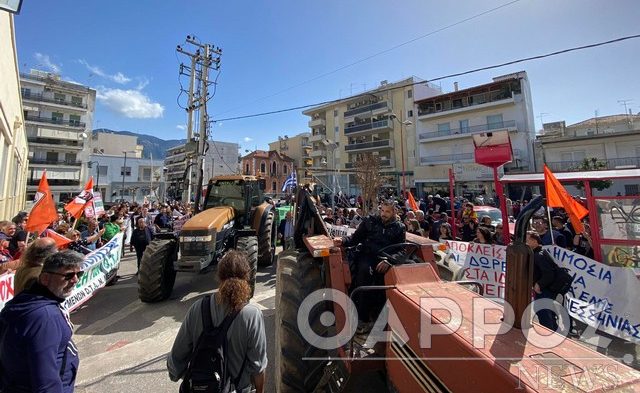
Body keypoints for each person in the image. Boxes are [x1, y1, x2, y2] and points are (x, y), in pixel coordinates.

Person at [168, 250, 267, 393]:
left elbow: (175, 362)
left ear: (219, 276)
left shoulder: (197, 308)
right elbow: (258, 368)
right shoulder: (252, 315)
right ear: (247, 277)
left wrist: (197, 380)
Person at [0, 250, 84, 392]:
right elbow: (45, 378)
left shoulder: (26, 301)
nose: (75, 280)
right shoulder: (45, 317)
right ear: (45, 278)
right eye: (68, 275)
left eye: (78, 274)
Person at [334, 200, 406, 327]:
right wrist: (343, 240)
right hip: (368, 255)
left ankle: (390, 315)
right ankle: (362, 316)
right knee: (364, 271)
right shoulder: (370, 221)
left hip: (387, 259)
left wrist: (389, 261)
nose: (384, 214)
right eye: (382, 210)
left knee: (397, 277)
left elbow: (402, 250)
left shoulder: (399, 228)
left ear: (394, 212)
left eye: (387, 211)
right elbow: (355, 238)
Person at [526, 231, 559, 331]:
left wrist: (539, 284)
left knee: (543, 313)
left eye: (527, 240)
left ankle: (548, 334)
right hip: (547, 288)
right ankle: (553, 332)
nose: (525, 242)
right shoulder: (539, 252)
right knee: (548, 312)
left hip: (544, 289)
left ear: (534, 241)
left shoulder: (538, 255)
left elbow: (549, 273)